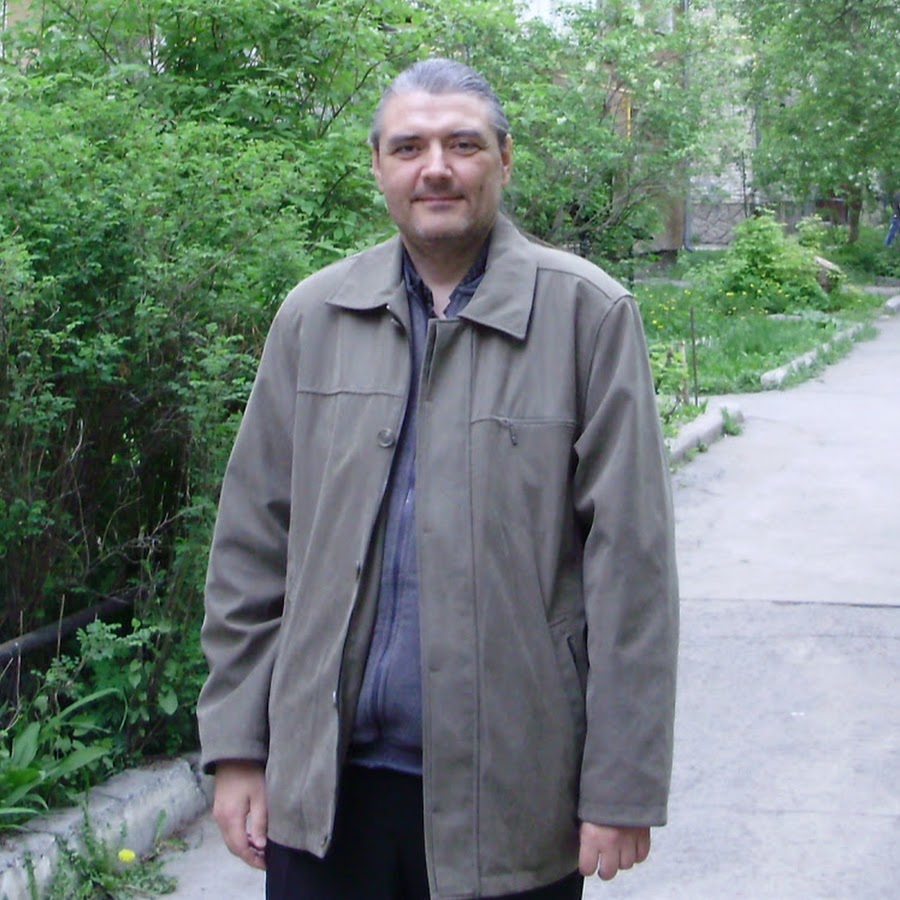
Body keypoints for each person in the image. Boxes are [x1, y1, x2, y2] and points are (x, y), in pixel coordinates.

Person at [197, 58, 679, 900]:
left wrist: (622, 785)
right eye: (409, 147)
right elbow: (251, 546)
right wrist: (238, 749)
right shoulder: (315, 317)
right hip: (326, 795)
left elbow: (631, 570)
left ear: (504, 159)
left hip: (511, 799)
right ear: (378, 165)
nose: (437, 168)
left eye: (463, 144)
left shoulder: (587, 317)